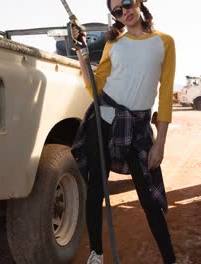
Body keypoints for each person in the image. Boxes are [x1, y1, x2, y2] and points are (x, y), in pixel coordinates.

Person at [71, 0, 176, 263]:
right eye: (117, 11)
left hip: (137, 127)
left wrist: (160, 143)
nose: (124, 12)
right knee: (96, 188)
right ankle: (96, 254)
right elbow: (95, 88)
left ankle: (170, 259)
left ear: (139, 2)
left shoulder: (164, 42)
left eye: (127, 4)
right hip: (103, 120)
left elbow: (165, 95)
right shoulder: (114, 43)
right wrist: (82, 55)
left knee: (148, 198)